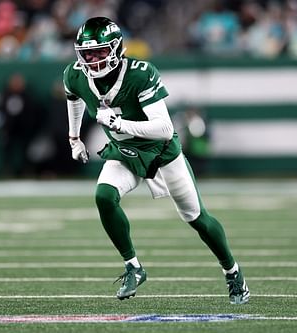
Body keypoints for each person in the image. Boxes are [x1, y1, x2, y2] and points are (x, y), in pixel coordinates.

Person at [62, 17, 249, 304]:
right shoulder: (74, 74)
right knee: (104, 195)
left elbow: (164, 129)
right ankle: (133, 267)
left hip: (162, 153)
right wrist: (74, 138)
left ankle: (232, 271)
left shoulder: (139, 73)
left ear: (116, 49)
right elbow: (72, 97)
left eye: (100, 51)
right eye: (88, 53)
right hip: (124, 152)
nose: (93, 59)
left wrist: (120, 123)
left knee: (197, 218)